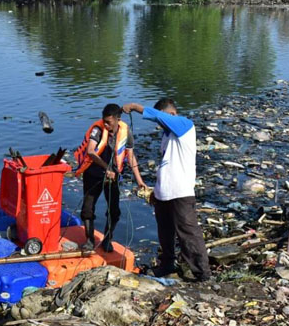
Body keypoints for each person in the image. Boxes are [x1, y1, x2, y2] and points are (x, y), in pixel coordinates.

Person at [123, 98, 211, 281]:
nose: (161, 125)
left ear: (171, 114)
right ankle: (167, 265)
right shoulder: (167, 136)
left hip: (181, 192)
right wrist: (156, 191)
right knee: (165, 232)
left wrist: (135, 107)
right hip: (164, 193)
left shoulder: (185, 126)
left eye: (164, 119)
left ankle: (202, 274)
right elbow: (167, 165)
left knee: (188, 233)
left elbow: (156, 116)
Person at [74, 104, 146, 252]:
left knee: (114, 211)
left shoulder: (126, 132)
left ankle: (108, 239)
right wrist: (106, 167)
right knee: (87, 209)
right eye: (104, 121)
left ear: (118, 120)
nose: (106, 125)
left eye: (109, 122)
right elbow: (91, 151)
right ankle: (89, 239)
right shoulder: (97, 129)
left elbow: (130, 157)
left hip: (113, 178)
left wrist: (139, 181)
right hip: (93, 175)